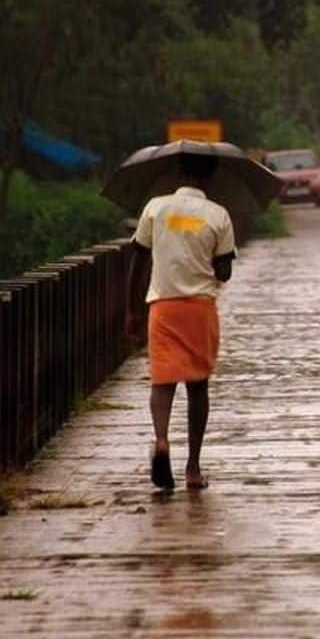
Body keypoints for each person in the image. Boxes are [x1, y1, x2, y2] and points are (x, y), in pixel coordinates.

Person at [125, 153, 236, 491]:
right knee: (197, 385)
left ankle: (161, 439)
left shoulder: (156, 209)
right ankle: (193, 468)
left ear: (180, 173)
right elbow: (224, 272)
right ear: (211, 177)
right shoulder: (218, 214)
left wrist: (132, 308)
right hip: (199, 309)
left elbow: (139, 259)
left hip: (163, 306)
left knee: (163, 380)